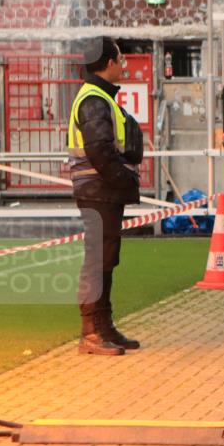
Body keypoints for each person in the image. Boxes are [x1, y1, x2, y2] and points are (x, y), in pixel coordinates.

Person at [67, 37, 143, 355]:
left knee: (105, 260)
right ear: (109, 63)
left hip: (103, 191)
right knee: (97, 261)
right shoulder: (94, 100)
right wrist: (125, 179)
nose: (124, 65)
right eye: (121, 60)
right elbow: (100, 151)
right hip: (99, 190)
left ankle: (104, 327)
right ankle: (91, 333)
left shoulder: (99, 97)